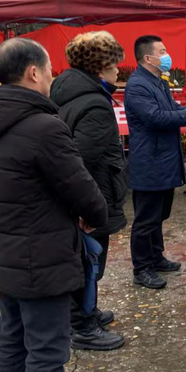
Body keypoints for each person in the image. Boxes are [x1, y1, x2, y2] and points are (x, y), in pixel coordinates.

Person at [0, 38, 108, 372]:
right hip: (42, 256)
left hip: (3, 254)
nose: (52, 76)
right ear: (33, 72)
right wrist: (97, 215)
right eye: (49, 69)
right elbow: (82, 189)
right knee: (47, 348)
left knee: (12, 338)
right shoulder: (43, 126)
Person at [50, 31, 127, 352]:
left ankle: (86, 311)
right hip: (92, 196)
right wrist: (88, 208)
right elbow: (80, 163)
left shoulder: (66, 91)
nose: (118, 71)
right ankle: (81, 326)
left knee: (83, 259)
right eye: (114, 64)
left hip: (77, 197)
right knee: (90, 262)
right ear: (99, 67)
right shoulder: (95, 104)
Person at [124, 35, 186, 290]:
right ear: (148, 58)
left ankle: (156, 257)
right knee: (146, 219)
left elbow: (170, 108)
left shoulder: (157, 82)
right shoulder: (137, 85)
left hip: (163, 160)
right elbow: (155, 117)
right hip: (149, 162)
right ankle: (141, 268)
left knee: (159, 215)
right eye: (163, 51)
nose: (167, 56)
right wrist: (185, 114)